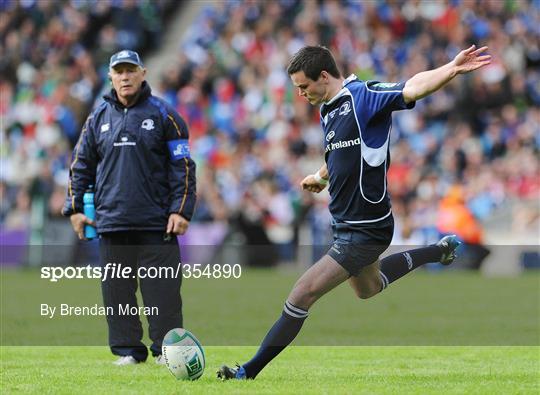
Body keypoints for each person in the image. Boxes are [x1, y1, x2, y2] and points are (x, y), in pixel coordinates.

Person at [217, 44, 491, 380]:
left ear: (324, 76)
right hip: (346, 225)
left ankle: (247, 371)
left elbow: (412, 86)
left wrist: (450, 68)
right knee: (368, 289)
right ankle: (439, 250)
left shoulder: (364, 95)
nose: (300, 94)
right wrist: (320, 177)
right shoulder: (328, 109)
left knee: (302, 293)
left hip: (367, 228)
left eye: (304, 86)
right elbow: (340, 154)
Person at [62, 50, 196, 365]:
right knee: (116, 294)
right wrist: (75, 208)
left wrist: (181, 209)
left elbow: (184, 166)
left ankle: (166, 350)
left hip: (156, 223)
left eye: (130, 70)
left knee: (162, 293)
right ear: (110, 76)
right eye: (118, 71)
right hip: (111, 223)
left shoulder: (166, 115)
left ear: (143, 73)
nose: (124, 76)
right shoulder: (97, 118)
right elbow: (80, 165)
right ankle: (128, 352)